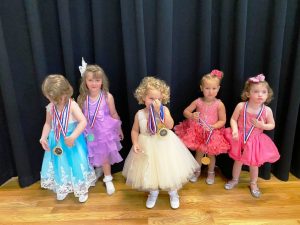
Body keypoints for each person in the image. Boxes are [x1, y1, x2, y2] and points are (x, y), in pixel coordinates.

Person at [122, 76, 199, 209]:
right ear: (143, 98)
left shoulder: (164, 110)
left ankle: (173, 192)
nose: (155, 101)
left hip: (164, 145)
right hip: (146, 145)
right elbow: (135, 130)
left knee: (168, 169)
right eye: (151, 98)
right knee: (149, 170)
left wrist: (159, 112)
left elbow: (170, 125)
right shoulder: (139, 114)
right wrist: (135, 142)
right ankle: (153, 192)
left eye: (158, 99)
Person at [39, 74, 96, 203]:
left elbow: (83, 122)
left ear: (64, 93)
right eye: (50, 98)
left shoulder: (72, 105)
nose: (53, 101)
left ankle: (81, 188)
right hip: (57, 141)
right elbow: (48, 124)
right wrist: (43, 137)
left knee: (77, 163)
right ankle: (63, 187)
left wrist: (74, 136)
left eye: (55, 98)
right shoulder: (50, 107)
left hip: (72, 141)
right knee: (60, 164)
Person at [224, 74, 280, 198]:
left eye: (264, 92)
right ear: (248, 93)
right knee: (238, 161)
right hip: (240, 138)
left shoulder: (267, 110)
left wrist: (262, 125)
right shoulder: (241, 106)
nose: (260, 95)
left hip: (255, 141)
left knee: (254, 164)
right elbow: (233, 119)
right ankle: (234, 180)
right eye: (256, 91)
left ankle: (253, 183)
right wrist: (234, 130)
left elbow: (272, 125)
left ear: (268, 95)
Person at [174, 69, 230, 184]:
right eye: (207, 88)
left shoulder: (219, 104)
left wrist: (213, 126)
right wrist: (191, 115)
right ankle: (197, 171)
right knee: (199, 153)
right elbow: (186, 111)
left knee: (211, 155)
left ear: (218, 88)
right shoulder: (198, 101)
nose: (210, 91)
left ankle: (211, 172)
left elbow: (223, 120)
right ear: (201, 88)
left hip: (212, 133)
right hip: (197, 132)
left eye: (214, 88)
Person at [77, 58, 123, 195]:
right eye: (90, 80)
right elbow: (80, 116)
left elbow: (114, 113)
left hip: (104, 131)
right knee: (91, 153)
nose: (94, 83)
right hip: (89, 132)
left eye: (97, 80)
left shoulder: (107, 96)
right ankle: (98, 170)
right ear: (85, 81)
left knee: (104, 155)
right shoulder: (81, 98)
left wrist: (119, 128)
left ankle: (108, 178)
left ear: (102, 81)